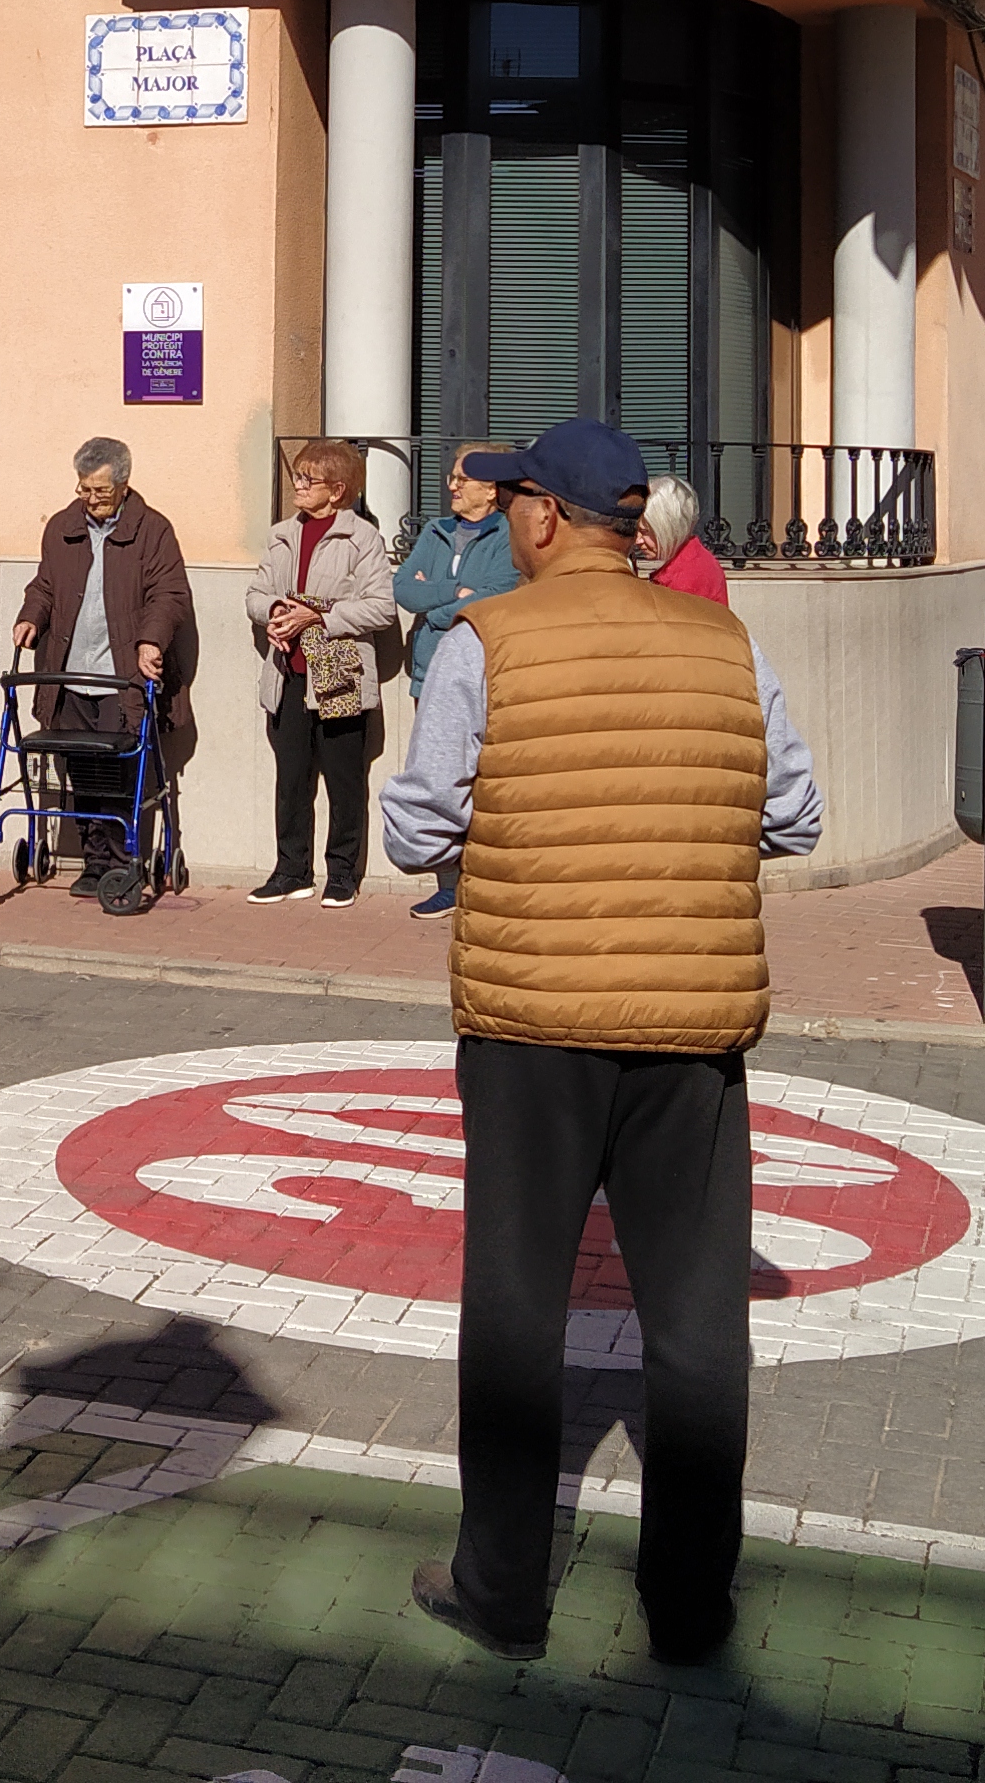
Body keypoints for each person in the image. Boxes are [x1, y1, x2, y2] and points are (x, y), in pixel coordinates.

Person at [378, 419, 822, 1670]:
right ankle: (689, 1608)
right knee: (695, 1322)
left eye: (514, 500)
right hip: (693, 1023)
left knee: (517, 1306)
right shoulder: (724, 641)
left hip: (533, 1019)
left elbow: (417, 834)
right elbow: (792, 813)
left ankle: (503, 1590)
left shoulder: (487, 643)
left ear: (539, 516)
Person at [10, 438, 197, 902]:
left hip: (120, 676)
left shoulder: (153, 530)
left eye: (100, 491)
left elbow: (170, 595)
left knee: (116, 770)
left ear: (124, 485)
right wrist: (30, 615)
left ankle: (120, 860)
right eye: (83, 490)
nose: (90, 500)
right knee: (82, 770)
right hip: (69, 674)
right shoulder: (61, 527)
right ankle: (95, 862)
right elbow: (46, 585)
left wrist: (150, 640)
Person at [245, 442, 399, 905]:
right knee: (291, 779)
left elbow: (381, 608)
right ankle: (291, 871)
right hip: (288, 674)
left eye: (308, 480)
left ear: (337, 490)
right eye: (298, 476)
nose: (298, 485)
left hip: (339, 676)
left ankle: (342, 874)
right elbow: (255, 593)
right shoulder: (280, 535)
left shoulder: (363, 538)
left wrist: (318, 617)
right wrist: (273, 612)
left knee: (343, 779)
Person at [392, 450, 517, 922]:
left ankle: (488, 880)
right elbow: (404, 590)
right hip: (429, 671)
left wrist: (438, 606)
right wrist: (456, 592)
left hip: (483, 671)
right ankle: (448, 883)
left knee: (485, 780)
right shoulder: (435, 530)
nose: (452, 486)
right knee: (440, 779)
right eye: (452, 477)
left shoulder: (509, 535)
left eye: (463, 479)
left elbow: (498, 596)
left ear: (491, 489)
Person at [633, 474, 733, 607]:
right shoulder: (696, 560)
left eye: (645, 532)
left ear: (669, 529)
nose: (637, 540)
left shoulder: (685, 578)